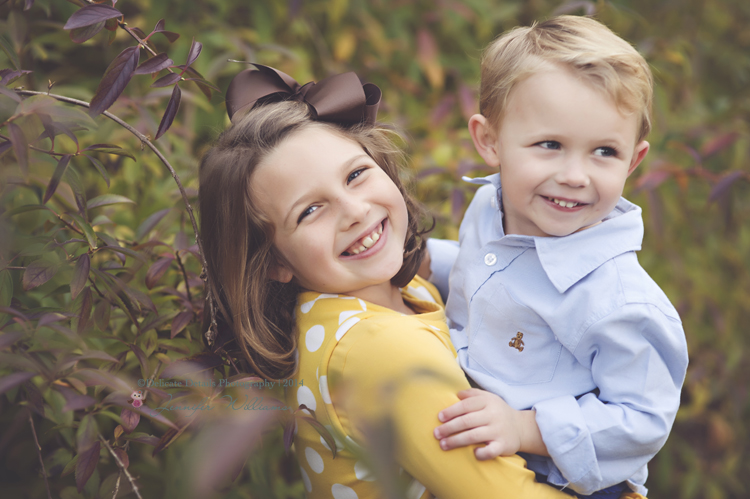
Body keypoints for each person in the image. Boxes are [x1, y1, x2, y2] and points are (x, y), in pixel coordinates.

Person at [198, 65, 638, 499]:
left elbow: (461, 268)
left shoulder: (376, 296)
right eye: (310, 210)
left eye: (355, 175)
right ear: (273, 260)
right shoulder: (383, 354)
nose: (354, 210)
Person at [425, 15, 690, 498]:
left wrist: (527, 429)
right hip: (486, 447)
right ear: (490, 141)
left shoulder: (618, 299)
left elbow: (643, 418)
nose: (575, 175)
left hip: (570, 480)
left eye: (604, 152)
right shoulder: (492, 208)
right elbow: (484, 276)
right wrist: (424, 260)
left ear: (634, 160)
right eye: (550, 145)